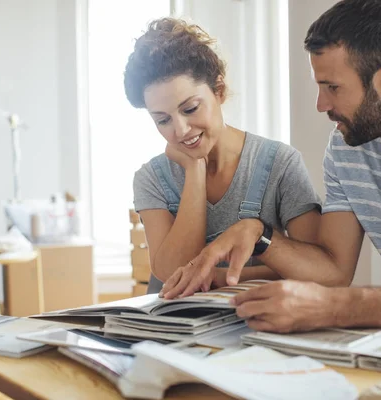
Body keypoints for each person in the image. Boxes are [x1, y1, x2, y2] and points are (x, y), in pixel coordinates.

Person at [160, 0, 381, 331]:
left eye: (333, 87)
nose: (321, 104)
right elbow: (332, 272)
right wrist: (259, 233)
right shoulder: (347, 148)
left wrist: (334, 307)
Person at [124, 18, 321, 294]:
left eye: (190, 109)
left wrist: (223, 277)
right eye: (163, 120)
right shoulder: (151, 179)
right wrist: (195, 170)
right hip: (173, 330)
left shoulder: (281, 164)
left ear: (220, 91)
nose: (180, 130)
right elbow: (170, 271)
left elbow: (316, 269)